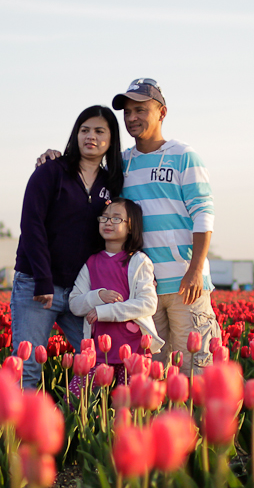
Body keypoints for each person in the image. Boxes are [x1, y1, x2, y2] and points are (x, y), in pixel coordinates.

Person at [38, 78, 221, 375]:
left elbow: (203, 213)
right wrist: (56, 158)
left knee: (195, 372)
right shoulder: (121, 165)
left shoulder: (184, 156)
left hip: (184, 284)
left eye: (140, 110)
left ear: (162, 112)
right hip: (141, 289)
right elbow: (85, 171)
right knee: (152, 376)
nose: (132, 118)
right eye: (127, 112)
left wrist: (195, 270)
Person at [13, 105, 123, 388]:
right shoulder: (51, 172)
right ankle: (25, 418)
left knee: (99, 361)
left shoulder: (112, 183)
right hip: (38, 286)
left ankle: (75, 414)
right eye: (84, 130)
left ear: (111, 139)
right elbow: (32, 225)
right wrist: (43, 279)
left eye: (99, 131)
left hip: (81, 291)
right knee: (27, 367)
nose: (91, 137)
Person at [69, 198, 163, 388]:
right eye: (104, 218)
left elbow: (147, 304)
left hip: (134, 349)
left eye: (116, 218)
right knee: (77, 398)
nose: (108, 222)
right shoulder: (91, 262)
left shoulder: (139, 261)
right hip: (96, 351)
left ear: (131, 227)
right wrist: (98, 296)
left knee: (131, 401)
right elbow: (74, 303)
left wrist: (104, 311)